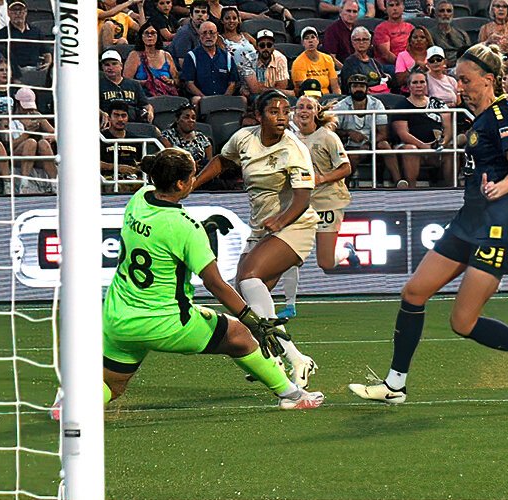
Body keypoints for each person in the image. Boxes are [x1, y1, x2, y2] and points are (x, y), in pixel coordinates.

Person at [347, 44, 508, 404]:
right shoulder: (481, 116)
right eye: (458, 79)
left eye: (466, 79)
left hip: (498, 225)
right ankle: (394, 386)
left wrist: (499, 188)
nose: (460, 86)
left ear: (489, 80)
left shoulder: (502, 115)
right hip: (469, 220)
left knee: (462, 323)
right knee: (413, 292)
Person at [96, 148, 325, 410]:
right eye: (192, 176)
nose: (194, 180)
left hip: (118, 318)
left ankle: (71, 404)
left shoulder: (138, 200)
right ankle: (292, 396)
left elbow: (162, 239)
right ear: (181, 183)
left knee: (112, 387)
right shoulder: (184, 226)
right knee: (238, 334)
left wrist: (202, 232)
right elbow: (214, 283)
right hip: (165, 321)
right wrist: (254, 321)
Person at [189, 90, 323, 389]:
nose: (282, 117)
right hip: (263, 228)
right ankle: (291, 357)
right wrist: (193, 183)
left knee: (249, 278)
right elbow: (223, 161)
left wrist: (281, 220)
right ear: (259, 116)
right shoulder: (244, 138)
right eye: (274, 111)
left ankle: (282, 357)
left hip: (295, 225)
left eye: (285, 111)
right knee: (247, 293)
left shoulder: (294, 148)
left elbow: (303, 197)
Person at [274, 95, 354, 318]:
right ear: (294, 112)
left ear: (316, 112)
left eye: (309, 107)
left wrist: (322, 178)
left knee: (326, 263)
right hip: (301, 204)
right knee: (290, 255)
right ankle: (290, 304)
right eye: (300, 107)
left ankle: (347, 250)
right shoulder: (289, 139)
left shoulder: (327, 137)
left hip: (328, 201)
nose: (303, 110)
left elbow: (345, 168)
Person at [333, 73, 398, 186]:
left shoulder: (377, 104)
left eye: (362, 86)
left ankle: (399, 182)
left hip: (373, 142)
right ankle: (344, 187)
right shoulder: (340, 106)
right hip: (350, 145)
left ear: (367, 89)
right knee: (352, 155)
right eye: (355, 86)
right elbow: (332, 130)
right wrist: (348, 133)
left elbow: (383, 133)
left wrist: (369, 143)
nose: (358, 89)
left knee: (385, 145)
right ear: (350, 89)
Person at [393, 71, 455, 186]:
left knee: (451, 149)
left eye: (422, 82)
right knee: (410, 149)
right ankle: (411, 189)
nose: (419, 85)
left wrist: (442, 143)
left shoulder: (438, 103)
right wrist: (423, 146)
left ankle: (451, 188)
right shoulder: (401, 106)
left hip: (436, 147)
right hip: (412, 147)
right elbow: (403, 134)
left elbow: (448, 129)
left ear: (426, 84)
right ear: (409, 86)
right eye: (415, 82)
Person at [181, 21, 239, 106]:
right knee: (196, 100)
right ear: (199, 35)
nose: (208, 36)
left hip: (224, 98)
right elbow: (189, 84)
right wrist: (206, 100)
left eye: (212, 33)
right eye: (204, 33)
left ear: (217, 35)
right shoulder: (192, 56)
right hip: (202, 99)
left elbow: (232, 83)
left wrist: (224, 98)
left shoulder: (227, 57)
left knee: (242, 100)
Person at [127, 25, 180, 97]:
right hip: (144, 96)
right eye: (146, 33)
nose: (149, 35)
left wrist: (171, 81)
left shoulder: (166, 55)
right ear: (141, 36)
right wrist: (145, 83)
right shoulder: (134, 55)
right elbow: (126, 81)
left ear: (158, 36)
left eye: (153, 33)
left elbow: (177, 80)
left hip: (166, 96)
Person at [341, 27, 392, 94]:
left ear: (370, 42)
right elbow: (350, 87)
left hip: (379, 95)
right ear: (352, 43)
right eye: (357, 40)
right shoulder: (349, 62)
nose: (361, 42)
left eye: (365, 39)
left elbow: (383, 79)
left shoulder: (375, 62)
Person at [290, 26, 340, 95]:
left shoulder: (328, 59)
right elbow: (302, 89)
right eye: (306, 38)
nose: (310, 41)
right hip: (310, 97)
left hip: (327, 97)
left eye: (313, 37)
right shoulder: (298, 63)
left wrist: (337, 99)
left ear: (318, 40)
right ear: (302, 43)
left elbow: (335, 86)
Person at [374, 0, 415, 65]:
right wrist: (403, 65)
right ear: (386, 9)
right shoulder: (381, 28)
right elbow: (386, 55)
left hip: (410, 63)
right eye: (391, 5)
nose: (395, 8)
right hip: (389, 65)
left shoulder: (411, 27)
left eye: (397, 4)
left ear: (403, 7)